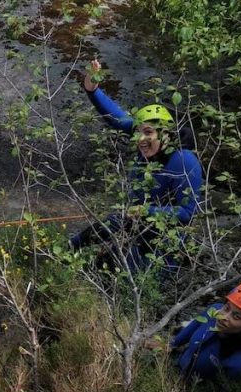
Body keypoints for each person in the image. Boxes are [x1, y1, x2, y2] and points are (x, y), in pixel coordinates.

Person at [71, 59, 204, 272]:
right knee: (93, 240)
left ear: (166, 133)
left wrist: (146, 210)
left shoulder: (184, 162)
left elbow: (187, 212)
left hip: (164, 238)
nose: (141, 139)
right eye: (139, 131)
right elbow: (115, 116)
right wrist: (92, 88)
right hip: (135, 217)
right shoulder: (143, 137)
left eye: (149, 132)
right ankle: (67, 250)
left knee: (124, 277)